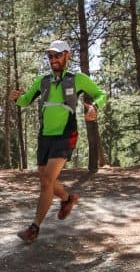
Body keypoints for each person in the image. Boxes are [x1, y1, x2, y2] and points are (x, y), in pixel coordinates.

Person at [9, 40, 106, 244]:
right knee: (47, 180)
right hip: (45, 136)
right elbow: (26, 100)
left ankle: (34, 228)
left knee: (46, 181)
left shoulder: (77, 78)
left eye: (57, 55)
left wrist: (94, 107)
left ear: (67, 55)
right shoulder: (42, 81)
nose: (53, 59)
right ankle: (68, 199)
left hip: (65, 134)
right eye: (50, 56)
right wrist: (16, 98)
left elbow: (100, 94)